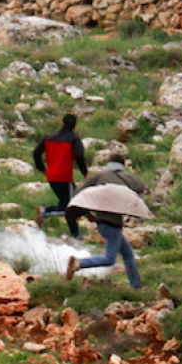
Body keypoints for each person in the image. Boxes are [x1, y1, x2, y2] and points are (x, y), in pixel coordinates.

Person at [65, 154, 146, 289]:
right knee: (109, 259)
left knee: (127, 254)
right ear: (123, 165)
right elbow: (139, 185)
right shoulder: (125, 178)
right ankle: (79, 263)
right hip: (112, 225)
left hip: (103, 223)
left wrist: (87, 214)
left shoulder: (99, 177)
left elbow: (80, 194)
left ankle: (137, 286)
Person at [33, 114, 88, 239]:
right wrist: (84, 172)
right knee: (69, 208)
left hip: (51, 176)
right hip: (65, 177)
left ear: (62, 123)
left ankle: (50, 216)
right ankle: (75, 234)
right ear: (74, 126)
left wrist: (42, 168)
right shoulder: (74, 139)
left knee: (64, 202)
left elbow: (36, 153)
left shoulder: (48, 138)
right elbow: (79, 156)